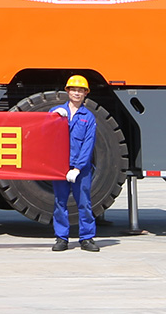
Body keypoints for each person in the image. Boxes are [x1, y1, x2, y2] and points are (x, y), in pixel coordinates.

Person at [50, 75, 99, 253]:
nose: (77, 93)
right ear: (67, 91)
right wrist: (54, 117)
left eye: (81, 90)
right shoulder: (56, 112)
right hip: (60, 166)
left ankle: (86, 238)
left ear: (86, 93)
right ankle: (61, 238)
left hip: (81, 169)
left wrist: (78, 168)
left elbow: (88, 144)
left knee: (84, 203)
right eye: (74, 89)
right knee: (60, 202)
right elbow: (44, 131)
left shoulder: (89, 117)